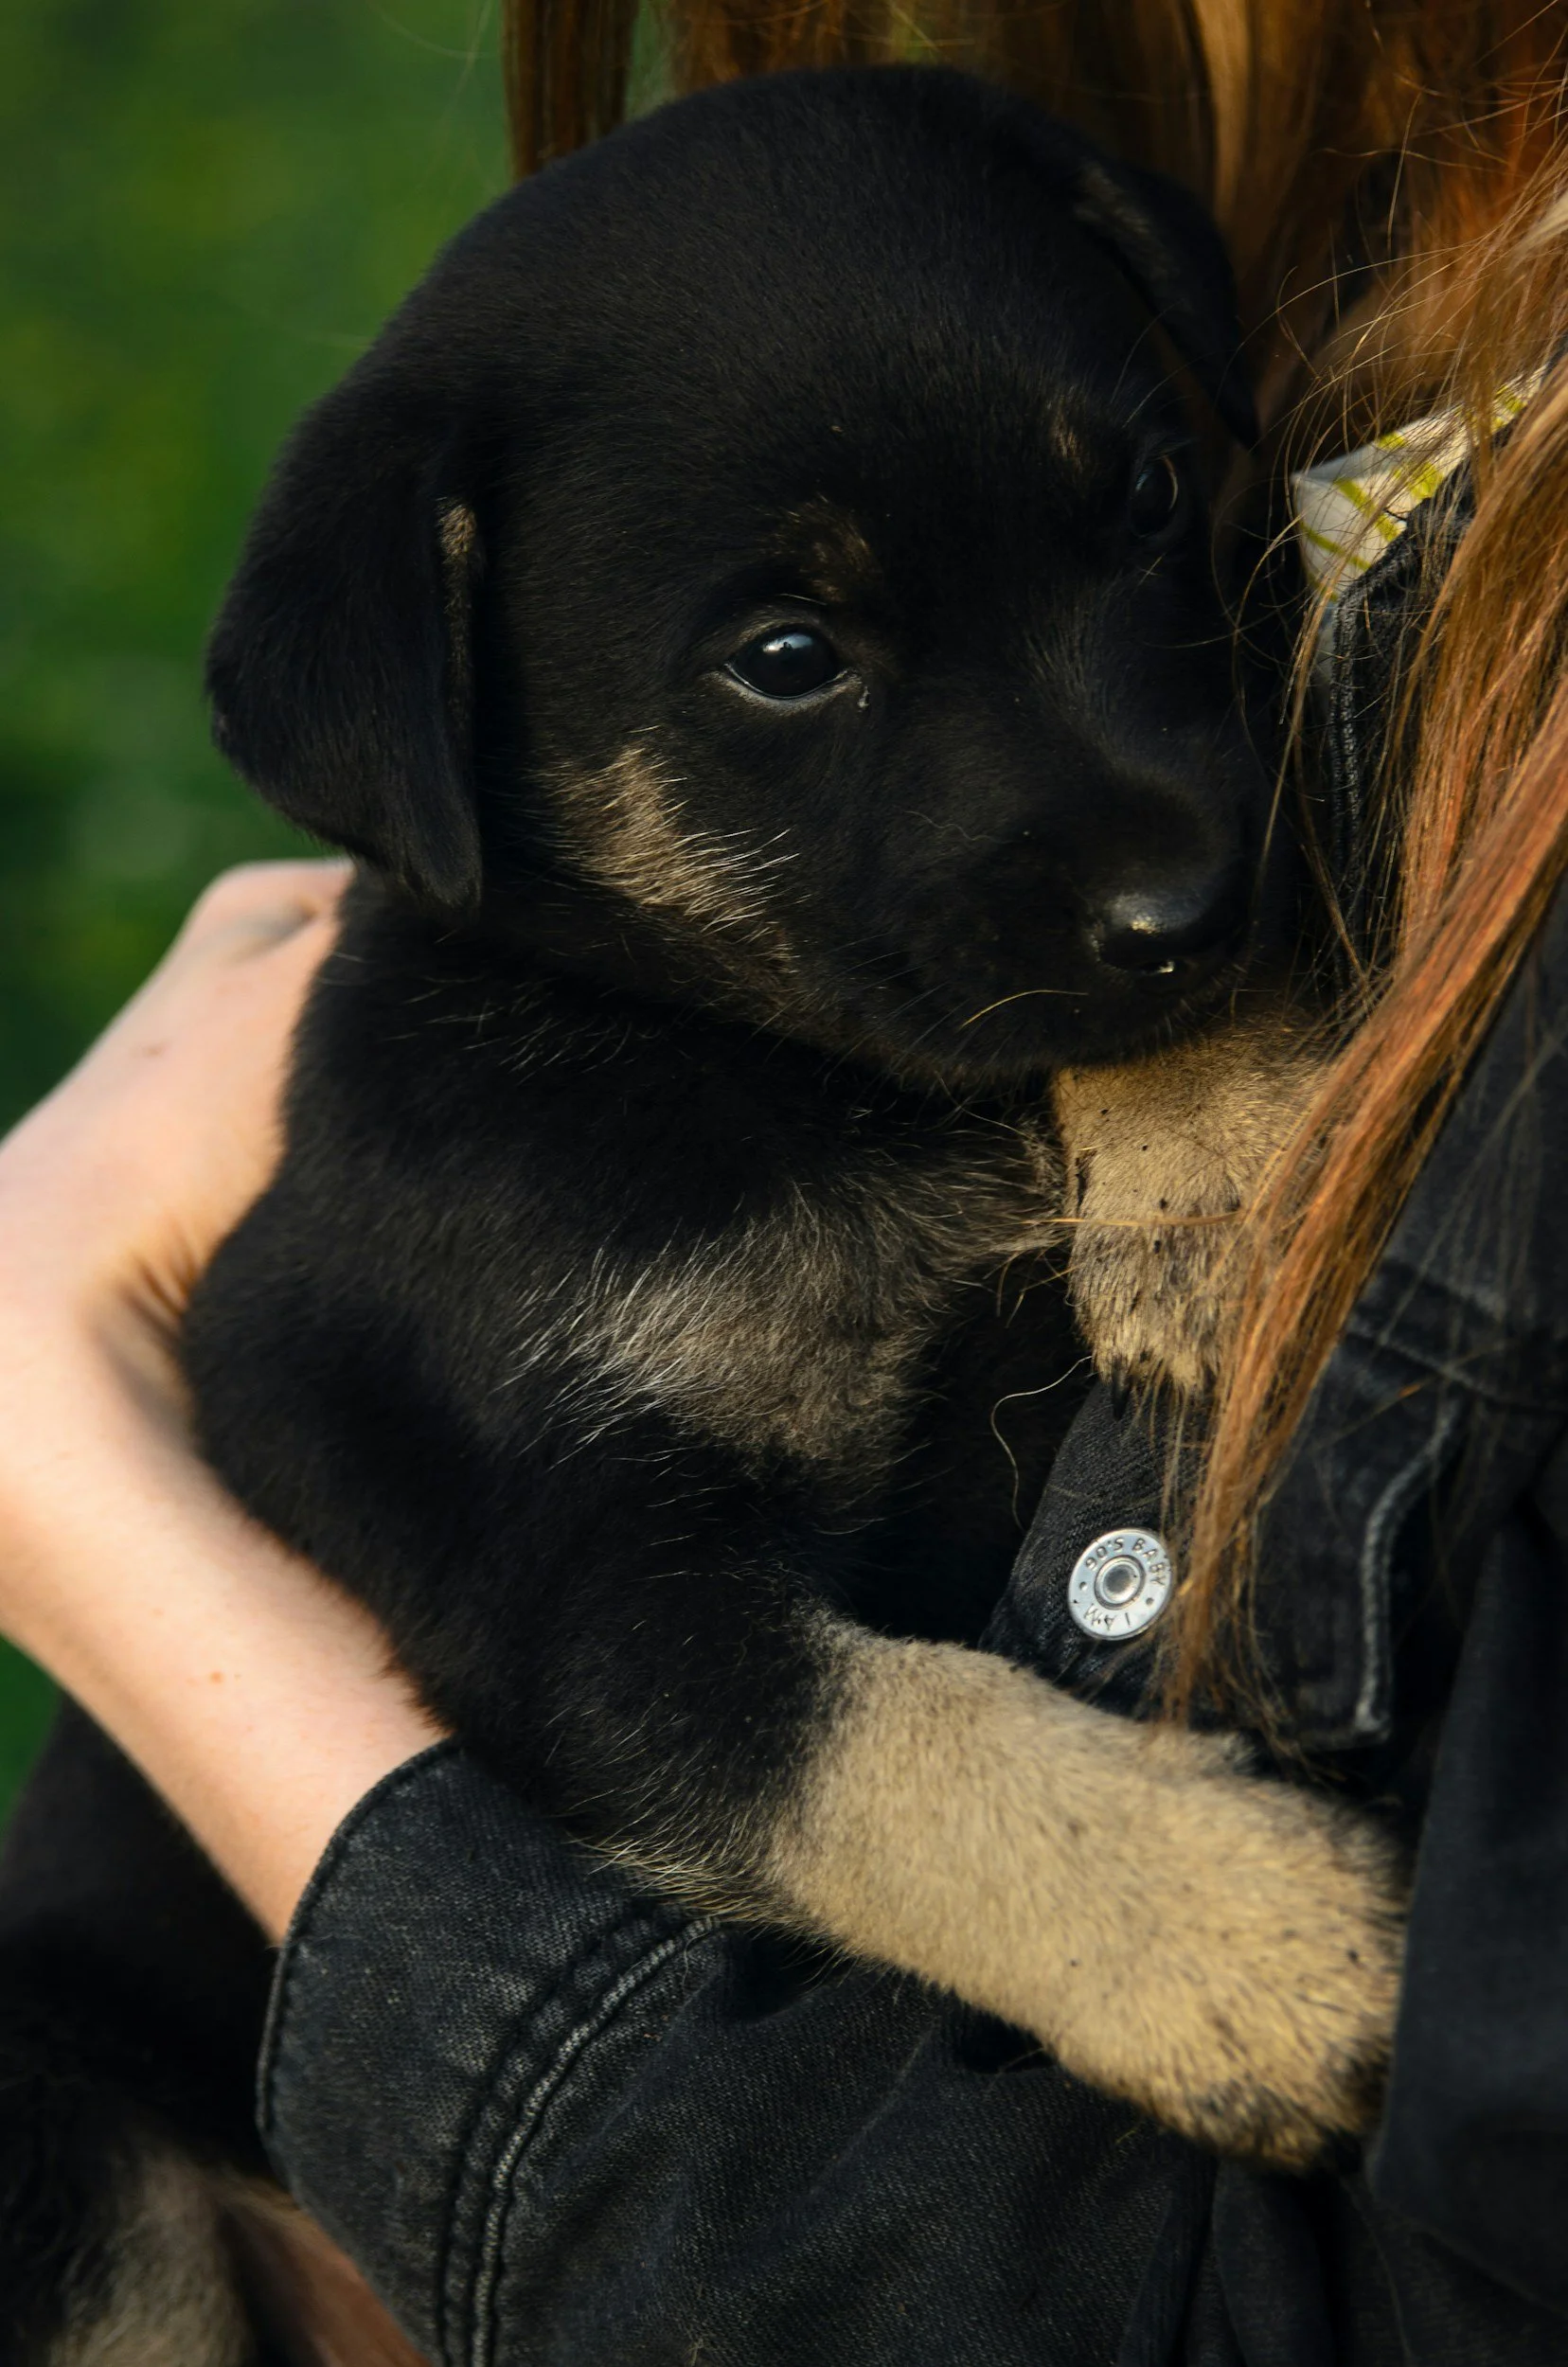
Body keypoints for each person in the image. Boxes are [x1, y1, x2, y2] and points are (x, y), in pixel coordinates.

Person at [5, 0, 1568, 2358]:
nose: (1151, 845)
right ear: (444, 716)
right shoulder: (505, 1152)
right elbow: (616, 1658)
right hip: (188, 2102)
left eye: (1138, 515)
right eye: (790, 657)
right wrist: (1116, 1896)